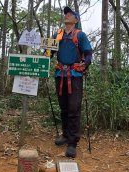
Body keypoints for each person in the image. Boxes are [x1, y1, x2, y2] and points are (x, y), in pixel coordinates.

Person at [47, 6, 92, 158]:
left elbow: (88, 54)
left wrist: (85, 65)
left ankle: (72, 142)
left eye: (70, 14)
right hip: (60, 74)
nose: (66, 15)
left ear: (76, 20)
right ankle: (65, 135)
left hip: (74, 76)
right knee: (63, 107)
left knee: (74, 108)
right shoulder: (57, 34)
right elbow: (48, 53)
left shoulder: (80, 36)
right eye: (65, 14)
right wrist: (41, 58)